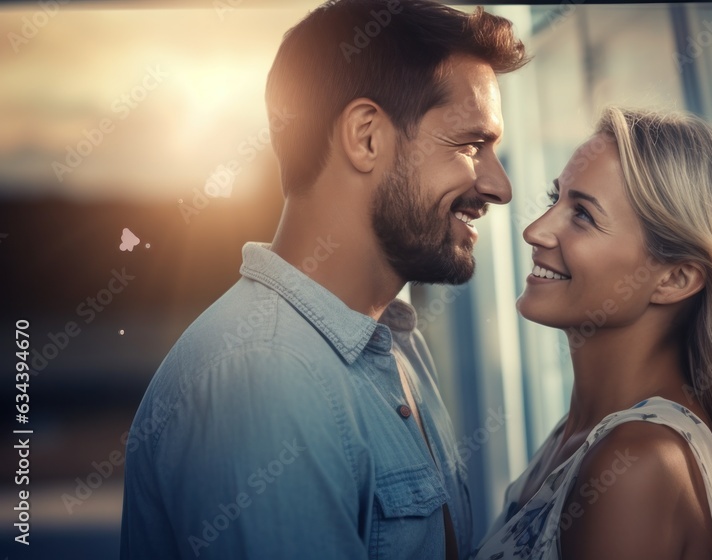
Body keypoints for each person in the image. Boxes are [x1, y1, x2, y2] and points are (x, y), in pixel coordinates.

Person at [119, 1, 528, 558]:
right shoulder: (263, 377)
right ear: (365, 137)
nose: (500, 186)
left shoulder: (393, 343)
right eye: (470, 145)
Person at [474, 107, 712, 560]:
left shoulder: (636, 462)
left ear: (675, 279)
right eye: (556, 199)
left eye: (582, 215)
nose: (535, 230)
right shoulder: (580, 437)